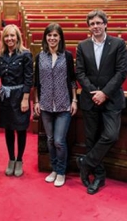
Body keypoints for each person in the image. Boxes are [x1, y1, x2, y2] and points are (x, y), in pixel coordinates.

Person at [76, 10, 127, 195]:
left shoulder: (118, 44)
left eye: (99, 23)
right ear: (88, 27)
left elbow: (121, 72)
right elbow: (80, 72)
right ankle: (99, 176)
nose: (95, 26)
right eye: (92, 24)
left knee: (111, 135)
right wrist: (94, 93)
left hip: (112, 99)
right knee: (91, 139)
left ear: (106, 24)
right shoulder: (83, 46)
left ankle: (86, 162)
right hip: (90, 100)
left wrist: (104, 93)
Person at [34, 23, 78, 187]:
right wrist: (36, 101)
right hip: (45, 104)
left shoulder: (66, 56)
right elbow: (36, 82)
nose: (52, 38)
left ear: (60, 38)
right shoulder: (40, 57)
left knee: (59, 141)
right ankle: (54, 169)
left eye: (55, 35)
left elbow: (72, 80)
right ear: (46, 37)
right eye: (49, 35)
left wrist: (74, 100)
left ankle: (61, 171)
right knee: (50, 139)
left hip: (63, 104)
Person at [0, 24, 33, 177]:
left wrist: (25, 99)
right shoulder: (1, 55)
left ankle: (19, 160)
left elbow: (29, 78)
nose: (9, 38)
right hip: (5, 96)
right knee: (8, 129)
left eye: (12, 35)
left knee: (21, 128)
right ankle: (11, 159)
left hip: (19, 96)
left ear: (18, 37)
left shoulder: (25, 54)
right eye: (7, 36)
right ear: (3, 38)